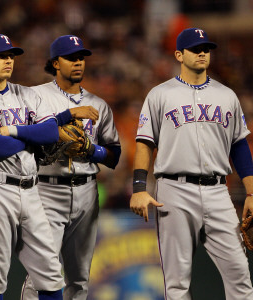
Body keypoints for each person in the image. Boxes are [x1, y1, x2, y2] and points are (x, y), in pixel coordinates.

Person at [130, 27, 253, 300]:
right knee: (177, 282)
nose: (202, 53)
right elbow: (144, 143)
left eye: (206, 49)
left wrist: (251, 192)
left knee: (240, 273)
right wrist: (139, 187)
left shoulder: (227, 95)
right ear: (178, 54)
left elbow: (239, 146)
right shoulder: (160, 94)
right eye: (195, 49)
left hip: (218, 192)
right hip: (174, 190)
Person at [0, 33, 65, 300]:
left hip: (31, 190)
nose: (9, 60)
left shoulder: (27, 94)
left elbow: (52, 133)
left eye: (11, 56)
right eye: (1, 55)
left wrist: (13, 130)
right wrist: (32, 137)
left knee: (51, 277)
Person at [21, 35, 121, 300]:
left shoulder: (99, 104)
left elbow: (114, 155)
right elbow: (25, 134)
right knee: (42, 272)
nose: (78, 63)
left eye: (81, 58)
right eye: (71, 58)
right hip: (46, 189)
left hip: (87, 191)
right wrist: (59, 125)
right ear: (55, 63)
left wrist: (92, 150)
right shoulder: (36, 95)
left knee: (79, 278)